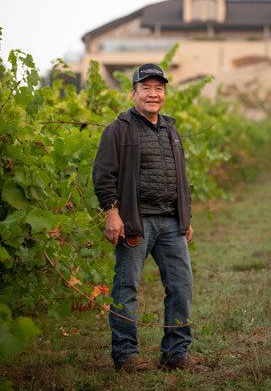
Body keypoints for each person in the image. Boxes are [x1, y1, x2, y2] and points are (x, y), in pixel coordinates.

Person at [92, 63, 205, 373]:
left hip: (171, 223)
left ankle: (175, 353)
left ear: (164, 93)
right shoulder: (119, 129)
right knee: (126, 288)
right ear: (134, 93)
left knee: (182, 286)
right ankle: (126, 356)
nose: (153, 94)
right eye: (146, 88)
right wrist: (112, 213)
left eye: (159, 88)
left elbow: (179, 177)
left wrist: (186, 217)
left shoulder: (171, 129)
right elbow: (104, 174)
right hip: (135, 222)